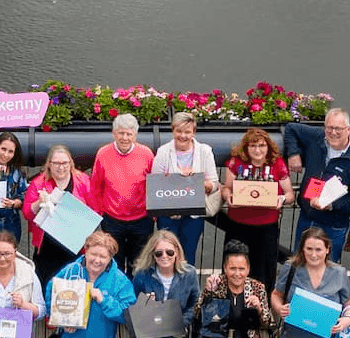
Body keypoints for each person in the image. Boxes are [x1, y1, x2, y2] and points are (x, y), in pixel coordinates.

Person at [284, 107, 350, 261]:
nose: (333, 132)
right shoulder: (316, 138)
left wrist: (332, 205)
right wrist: (293, 154)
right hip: (307, 217)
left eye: (338, 129)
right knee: (299, 265)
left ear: (348, 129)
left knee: (328, 270)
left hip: (333, 225)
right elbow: (290, 128)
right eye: (329, 128)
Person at [221, 127, 295, 287]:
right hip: (238, 226)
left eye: (261, 145)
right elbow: (226, 188)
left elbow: (290, 194)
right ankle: (233, 307)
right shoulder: (236, 162)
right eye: (253, 146)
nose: (257, 150)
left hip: (266, 228)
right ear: (246, 148)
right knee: (234, 269)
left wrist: (281, 199)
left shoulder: (278, 164)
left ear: (268, 147)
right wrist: (228, 197)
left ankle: (261, 308)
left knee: (264, 272)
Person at [23, 144, 98, 289]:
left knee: (74, 290)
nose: (61, 167)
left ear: (71, 163)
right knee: (47, 288)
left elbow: (95, 209)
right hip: (47, 249)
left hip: (76, 247)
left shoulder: (83, 181)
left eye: (65, 163)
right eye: (56, 163)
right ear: (49, 164)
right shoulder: (38, 183)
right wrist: (40, 201)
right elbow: (27, 213)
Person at [150, 111, 219, 266]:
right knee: (165, 257)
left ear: (193, 132)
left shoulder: (205, 151)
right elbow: (156, 184)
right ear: (172, 130)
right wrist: (176, 180)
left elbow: (214, 184)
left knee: (187, 259)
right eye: (179, 131)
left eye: (187, 132)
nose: (183, 136)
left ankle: (187, 290)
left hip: (193, 215)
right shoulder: (163, 152)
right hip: (168, 215)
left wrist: (195, 180)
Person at [92, 113, 156, 270]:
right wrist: (101, 213)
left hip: (141, 220)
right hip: (113, 220)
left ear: (135, 135)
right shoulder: (103, 154)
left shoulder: (146, 154)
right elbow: (96, 186)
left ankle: (136, 294)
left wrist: (153, 215)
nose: (125, 138)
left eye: (129, 134)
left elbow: (153, 186)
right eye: (121, 133)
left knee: (140, 264)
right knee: (114, 264)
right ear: (114, 133)